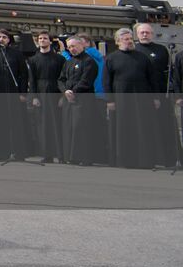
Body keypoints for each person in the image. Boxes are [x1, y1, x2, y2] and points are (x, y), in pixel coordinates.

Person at [102, 27, 156, 169]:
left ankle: (144, 160)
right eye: (126, 39)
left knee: (142, 128)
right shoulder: (111, 58)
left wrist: (155, 97)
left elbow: (152, 79)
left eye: (131, 39)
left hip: (141, 96)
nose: (130, 41)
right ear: (118, 41)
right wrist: (110, 100)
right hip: (120, 97)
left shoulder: (142, 57)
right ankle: (123, 160)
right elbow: (106, 81)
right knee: (122, 129)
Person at [132, 22, 178, 168]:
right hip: (142, 96)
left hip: (161, 94)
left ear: (152, 34)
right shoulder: (134, 50)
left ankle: (169, 158)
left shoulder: (161, 50)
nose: (145, 35)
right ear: (137, 35)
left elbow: (168, 72)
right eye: (142, 33)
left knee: (165, 126)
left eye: (147, 32)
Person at [0, 28, 30, 162]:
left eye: (4, 37)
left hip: (14, 94)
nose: (1, 39)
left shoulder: (17, 54)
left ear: (9, 40)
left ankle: (19, 153)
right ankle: (0, 153)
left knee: (16, 124)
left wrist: (23, 93)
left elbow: (23, 75)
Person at [59, 35, 106, 166]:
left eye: (73, 46)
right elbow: (61, 79)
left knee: (81, 128)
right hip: (69, 99)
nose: (71, 49)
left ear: (81, 45)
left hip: (84, 99)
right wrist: (65, 91)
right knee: (69, 127)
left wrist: (73, 91)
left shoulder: (89, 61)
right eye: (69, 47)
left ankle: (84, 157)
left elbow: (86, 80)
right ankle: (71, 156)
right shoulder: (68, 62)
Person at [26, 30, 64, 162]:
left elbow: (62, 78)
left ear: (50, 41)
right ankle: (47, 155)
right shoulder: (32, 60)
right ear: (37, 41)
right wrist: (34, 97)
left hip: (55, 92)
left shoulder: (59, 59)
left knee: (58, 124)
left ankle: (61, 155)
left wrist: (61, 96)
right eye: (40, 38)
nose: (42, 40)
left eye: (45, 38)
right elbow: (32, 80)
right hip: (40, 94)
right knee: (43, 125)